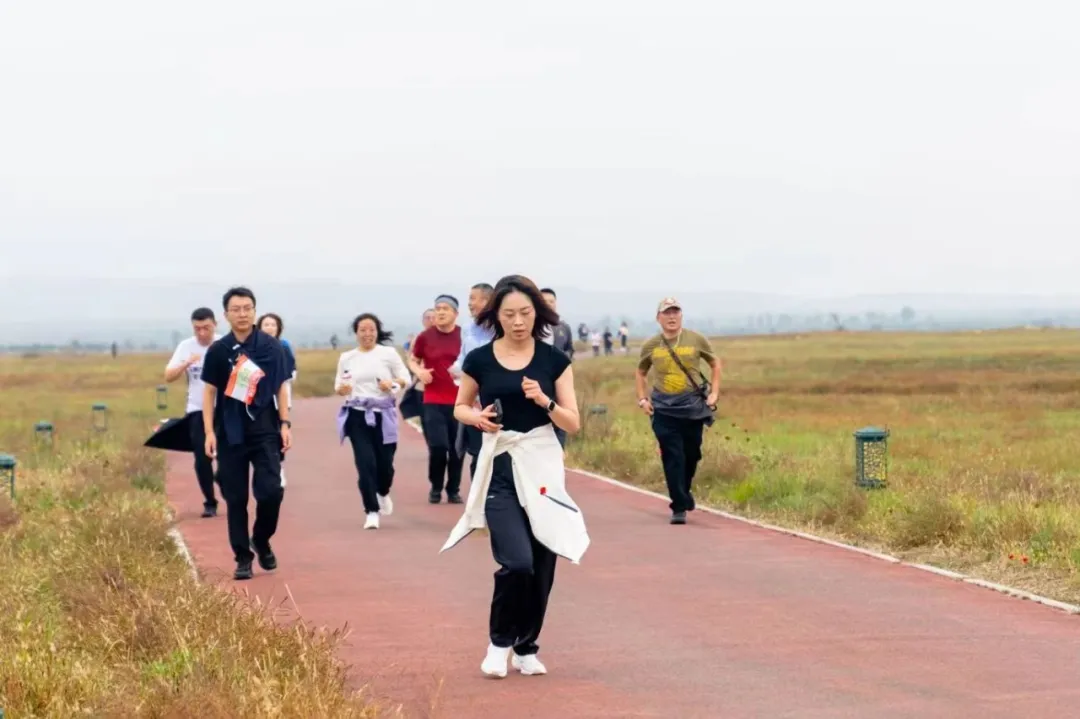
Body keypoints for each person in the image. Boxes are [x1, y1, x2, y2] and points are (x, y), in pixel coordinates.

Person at [443, 274, 588, 679]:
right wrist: (478, 418)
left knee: (543, 562)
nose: (518, 321)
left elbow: (572, 422)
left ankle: (527, 647)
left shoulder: (553, 361)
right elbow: (460, 407)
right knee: (518, 562)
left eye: (525, 313)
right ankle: (499, 643)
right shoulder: (480, 360)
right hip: (499, 466)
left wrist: (544, 402)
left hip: (541, 464)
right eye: (509, 313)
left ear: (537, 315)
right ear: (496, 316)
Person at [200, 287, 293, 580]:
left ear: (255, 310)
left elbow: (281, 386)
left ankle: (262, 538)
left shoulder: (271, 347)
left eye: (247, 308)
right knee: (236, 498)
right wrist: (208, 432)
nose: (242, 314)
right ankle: (242, 556)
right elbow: (209, 392)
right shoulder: (218, 351)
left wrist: (285, 424)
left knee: (271, 491)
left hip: (265, 428)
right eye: (236, 309)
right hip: (230, 431)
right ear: (226, 315)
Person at [635, 297, 721, 525]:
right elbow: (641, 372)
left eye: (675, 312)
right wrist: (642, 399)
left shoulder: (696, 339)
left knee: (692, 454)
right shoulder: (651, 345)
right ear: (658, 318)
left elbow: (714, 363)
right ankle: (679, 505)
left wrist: (714, 393)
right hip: (663, 409)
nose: (671, 317)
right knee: (673, 456)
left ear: (681, 315)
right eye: (667, 313)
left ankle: (683, 493)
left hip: (692, 407)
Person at [335, 313, 410, 530]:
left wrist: (392, 383)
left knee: (385, 465)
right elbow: (339, 385)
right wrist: (342, 389)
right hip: (357, 415)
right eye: (362, 330)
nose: (367, 334)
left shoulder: (388, 354)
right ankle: (371, 511)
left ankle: (383, 492)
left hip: (383, 414)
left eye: (371, 329)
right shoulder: (347, 357)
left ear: (377, 331)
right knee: (365, 464)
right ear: (356, 332)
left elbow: (404, 378)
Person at [164, 307, 223, 518]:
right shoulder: (186, 346)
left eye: (206, 328)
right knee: (201, 458)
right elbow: (168, 376)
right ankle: (210, 501)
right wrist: (185, 364)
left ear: (215, 325)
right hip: (197, 409)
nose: (202, 333)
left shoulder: (224, 344)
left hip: (224, 408)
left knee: (228, 454)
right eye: (197, 329)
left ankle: (223, 478)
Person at [408, 296, 464, 504]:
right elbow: (413, 360)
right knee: (439, 446)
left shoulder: (464, 336)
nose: (440, 312)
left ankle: (453, 489)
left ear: (455, 314)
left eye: (445, 309)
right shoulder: (426, 336)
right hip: (432, 399)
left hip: (460, 400)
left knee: (457, 448)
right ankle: (436, 486)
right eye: (437, 308)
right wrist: (419, 372)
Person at [450, 282, 495, 480]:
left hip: (495, 399)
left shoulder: (501, 328)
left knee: (496, 454)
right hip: (473, 402)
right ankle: (478, 504)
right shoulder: (467, 329)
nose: (469, 304)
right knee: (477, 453)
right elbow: (463, 357)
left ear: (487, 301)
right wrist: (456, 370)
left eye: (473, 298)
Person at [257, 313, 297, 409]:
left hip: (280, 399)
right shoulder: (253, 347)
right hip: (258, 399)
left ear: (278, 328)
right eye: (266, 325)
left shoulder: (284, 347)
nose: (269, 328)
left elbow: (291, 372)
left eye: (273, 325)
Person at [538, 288, 574, 360]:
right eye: (544, 301)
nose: (548, 304)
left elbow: (569, 349)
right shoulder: (531, 327)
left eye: (551, 301)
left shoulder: (564, 327)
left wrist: (562, 358)